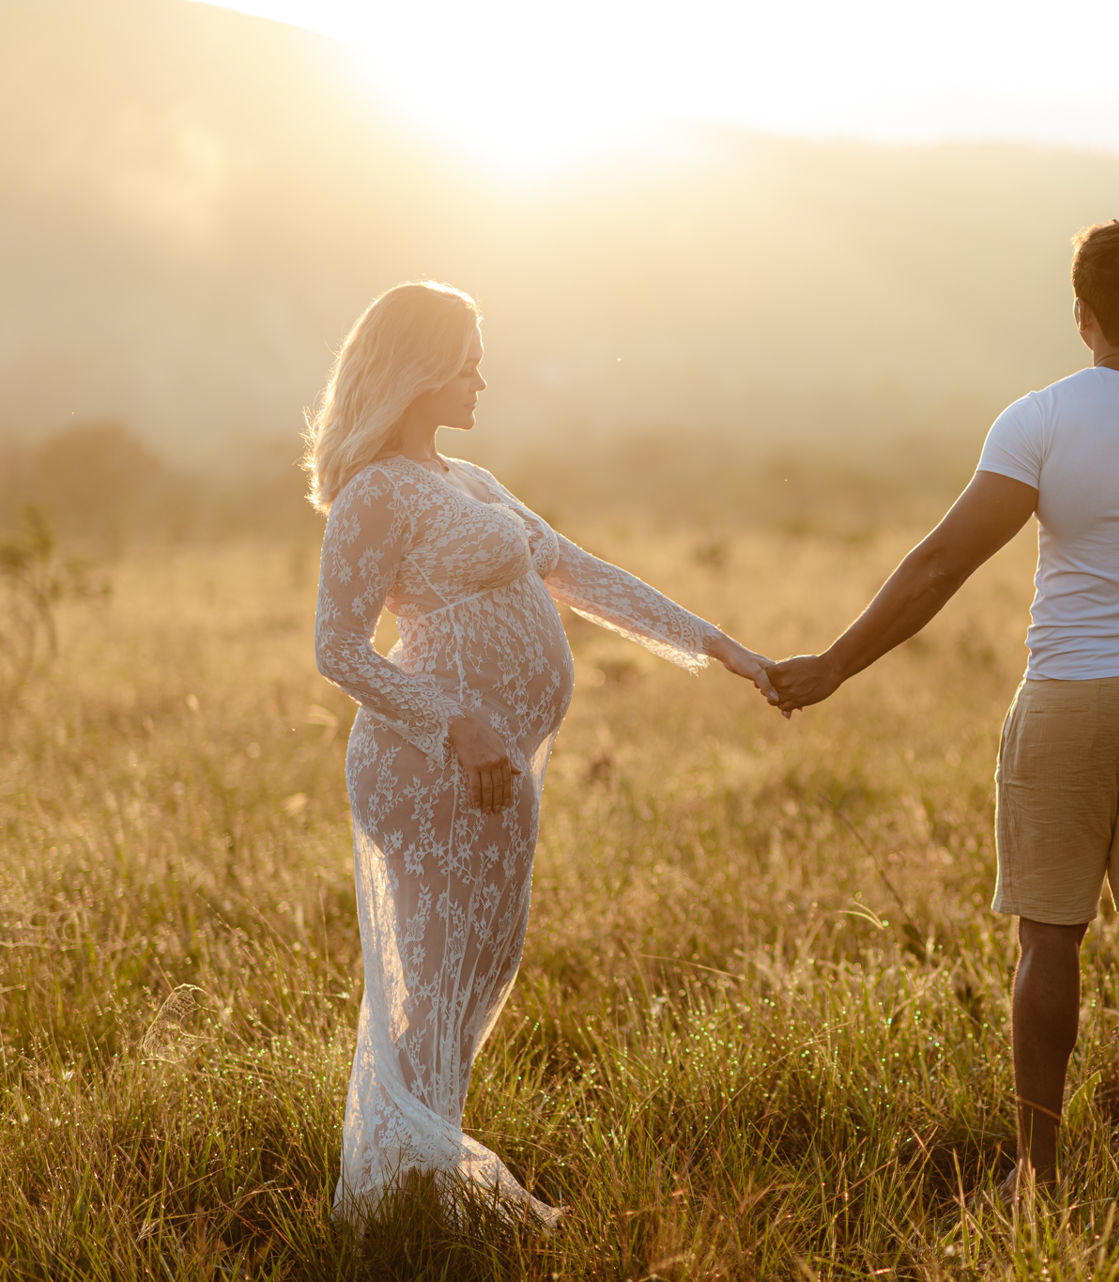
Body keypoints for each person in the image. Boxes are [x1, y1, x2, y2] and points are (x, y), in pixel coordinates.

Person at [766, 221, 1119, 1189]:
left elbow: (942, 562)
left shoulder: (1040, 420)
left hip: (1067, 701)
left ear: (1081, 313)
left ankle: (1038, 1170)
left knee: (1048, 938)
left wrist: (836, 665)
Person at [305, 282, 773, 1227]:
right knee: (436, 974)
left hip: (497, 764)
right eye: (466, 364)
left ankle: (419, 1174)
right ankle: (403, 1194)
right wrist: (455, 723)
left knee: (478, 967)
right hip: (430, 764)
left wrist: (720, 647)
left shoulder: (469, 480)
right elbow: (338, 648)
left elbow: (579, 572)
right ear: (420, 371)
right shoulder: (376, 492)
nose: (481, 381)